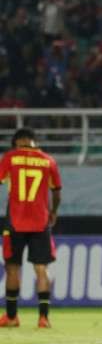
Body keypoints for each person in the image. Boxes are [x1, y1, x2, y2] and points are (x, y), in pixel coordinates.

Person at [0, 129, 61, 328]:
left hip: (15, 222)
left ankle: (11, 317)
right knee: (41, 269)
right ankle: (43, 318)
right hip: (41, 222)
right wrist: (53, 211)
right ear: (34, 141)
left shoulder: (10, 158)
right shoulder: (48, 160)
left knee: (12, 268)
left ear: (17, 143)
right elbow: (57, 191)